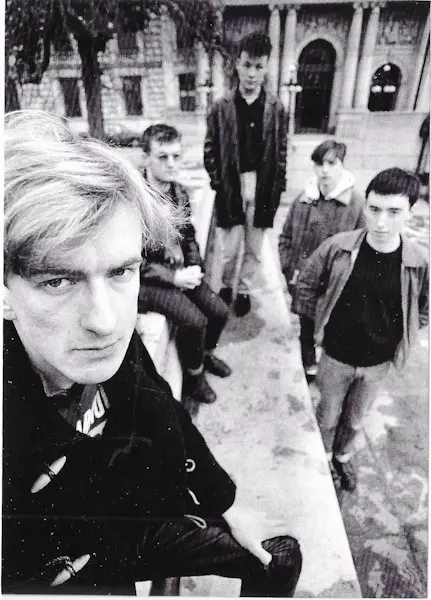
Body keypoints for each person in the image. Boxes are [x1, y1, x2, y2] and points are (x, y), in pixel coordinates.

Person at [3, 110, 302, 595]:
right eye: (58, 281)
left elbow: (157, 398)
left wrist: (222, 501)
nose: (105, 321)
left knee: (277, 556)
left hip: (136, 515)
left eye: (121, 272)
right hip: (72, 569)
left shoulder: (104, 342)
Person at [294, 167, 428, 492]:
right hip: (335, 357)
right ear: (364, 206)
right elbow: (306, 286)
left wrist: (401, 336)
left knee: (354, 419)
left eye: (394, 212)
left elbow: (423, 309)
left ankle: (342, 456)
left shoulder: (417, 262)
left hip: (377, 364)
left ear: (410, 213)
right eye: (374, 209)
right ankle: (324, 459)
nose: (381, 222)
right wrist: (314, 333)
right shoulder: (338, 248)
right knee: (327, 415)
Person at [138, 124, 231, 405]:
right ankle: (193, 377)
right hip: (145, 281)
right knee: (194, 321)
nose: (171, 164)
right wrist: (173, 279)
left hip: (176, 270)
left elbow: (189, 236)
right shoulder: (134, 198)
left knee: (219, 311)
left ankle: (205, 354)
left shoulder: (178, 191)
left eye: (176, 156)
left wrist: (194, 266)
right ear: (146, 158)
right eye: (162, 157)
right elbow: (132, 261)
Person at [204, 32, 287, 317]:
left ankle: (244, 290)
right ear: (237, 65)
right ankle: (227, 285)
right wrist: (218, 182)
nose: (252, 74)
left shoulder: (276, 108)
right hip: (232, 185)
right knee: (230, 247)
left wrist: (278, 186)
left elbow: (282, 150)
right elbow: (210, 148)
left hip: (263, 186)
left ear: (266, 68)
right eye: (247, 65)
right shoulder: (221, 107)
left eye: (258, 66)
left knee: (254, 248)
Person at [279, 140, 365, 381]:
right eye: (319, 164)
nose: (324, 170)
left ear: (342, 165)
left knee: (333, 332)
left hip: (336, 288)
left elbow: (365, 251)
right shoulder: (303, 199)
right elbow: (285, 238)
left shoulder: (358, 204)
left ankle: (331, 373)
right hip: (305, 284)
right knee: (306, 328)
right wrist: (288, 268)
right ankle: (309, 367)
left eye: (331, 163)